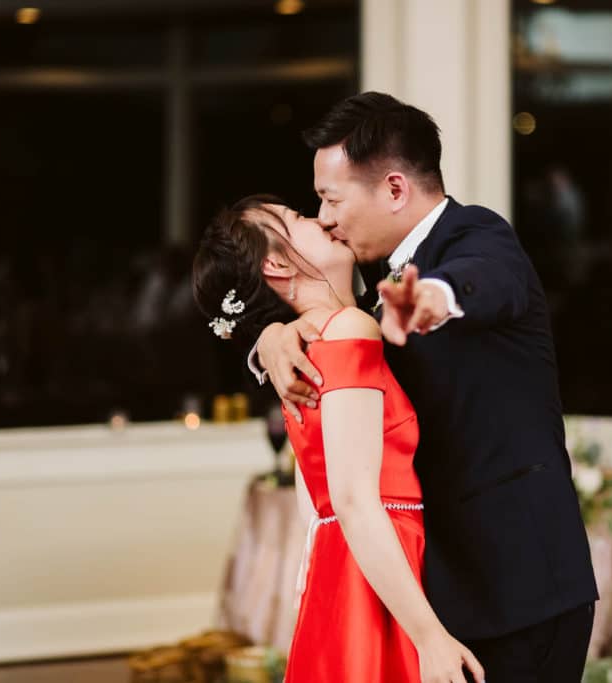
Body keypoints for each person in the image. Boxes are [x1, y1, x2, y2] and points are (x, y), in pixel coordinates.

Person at [252, 92, 598, 682]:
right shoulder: (366, 293)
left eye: (330, 198)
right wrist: (270, 337)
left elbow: (476, 283)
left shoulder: (482, 238)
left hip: (520, 586)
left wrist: (428, 300)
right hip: (441, 590)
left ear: (393, 189)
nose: (325, 217)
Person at [193, 196, 484, 683]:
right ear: (276, 263)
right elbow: (351, 500)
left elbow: (316, 509)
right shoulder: (349, 329)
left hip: (343, 564)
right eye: (293, 219)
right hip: (381, 558)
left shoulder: (297, 352)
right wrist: (429, 636)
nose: (315, 217)